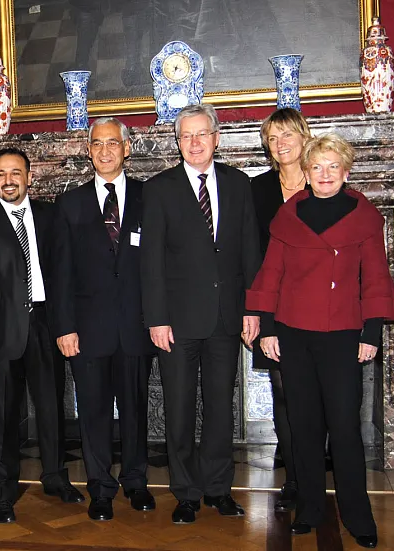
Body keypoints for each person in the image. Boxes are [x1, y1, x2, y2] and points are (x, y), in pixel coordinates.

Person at [247, 133, 394, 549]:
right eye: (317, 167)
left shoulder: (364, 217)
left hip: (344, 334)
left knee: (346, 428)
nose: (325, 174)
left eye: (333, 167)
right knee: (305, 426)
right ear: (306, 173)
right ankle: (310, 508)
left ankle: (357, 515)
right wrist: (269, 328)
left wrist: (371, 333)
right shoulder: (289, 215)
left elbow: (377, 277)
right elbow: (270, 274)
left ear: (345, 172)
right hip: (294, 332)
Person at [140, 104, 261, 524]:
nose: (194, 143)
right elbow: (150, 262)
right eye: (186, 136)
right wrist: (155, 318)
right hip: (175, 323)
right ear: (178, 143)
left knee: (221, 408)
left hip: (227, 319)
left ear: (216, 137)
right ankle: (186, 492)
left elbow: (250, 251)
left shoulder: (239, 183)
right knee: (179, 408)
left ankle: (217, 488)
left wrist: (253, 308)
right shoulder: (158, 189)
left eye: (202, 134)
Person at [0, 147, 84, 523]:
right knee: (1, 414)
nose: (8, 180)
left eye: (15, 173)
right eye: (0, 174)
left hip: (46, 325)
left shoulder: (50, 215)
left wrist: (66, 326)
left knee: (51, 408)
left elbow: (64, 275)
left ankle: (55, 478)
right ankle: (1, 490)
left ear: (29, 177)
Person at [53, 118, 155, 521]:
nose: (106, 151)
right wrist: (63, 326)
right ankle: (100, 487)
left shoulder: (151, 198)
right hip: (87, 330)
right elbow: (60, 272)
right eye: (97, 144)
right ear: (88, 150)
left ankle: (135, 481)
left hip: (136, 327)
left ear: (127, 149)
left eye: (113, 143)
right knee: (92, 413)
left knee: (134, 410)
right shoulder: (70, 204)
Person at [250, 108, 312, 511]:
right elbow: (251, 256)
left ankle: (314, 471)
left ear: (304, 136)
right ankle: (294, 478)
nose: (281, 144)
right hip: (276, 310)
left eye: (288, 135)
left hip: (323, 310)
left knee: (318, 396)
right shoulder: (257, 190)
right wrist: (255, 313)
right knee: (285, 395)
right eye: (273, 138)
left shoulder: (325, 180)